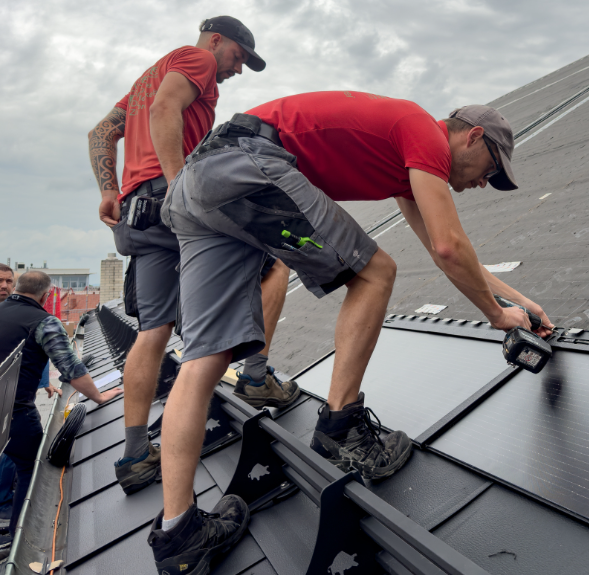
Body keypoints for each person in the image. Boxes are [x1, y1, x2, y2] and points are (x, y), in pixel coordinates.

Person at [151, 91, 554, 571]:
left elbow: (447, 253)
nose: (486, 183)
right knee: (375, 273)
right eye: (492, 168)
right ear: (473, 136)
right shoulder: (424, 133)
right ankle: (341, 429)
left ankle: (179, 536)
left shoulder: (408, 166)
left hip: (198, 182)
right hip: (248, 163)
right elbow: (450, 246)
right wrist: (494, 316)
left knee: (205, 357)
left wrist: (520, 306)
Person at [86, 16, 299, 496]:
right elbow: (166, 110)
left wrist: (109, 190)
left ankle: (136, 455)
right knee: (274, 265)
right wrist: (185, 189)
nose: (237, 71)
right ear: (217, 41)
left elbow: (100, 132)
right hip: (170, 197)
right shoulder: (196, 58)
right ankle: (256, 377)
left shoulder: (146, 78)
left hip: (137, 213)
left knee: (153, 331)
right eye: (238, 58)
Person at [0, 272, 123, 537]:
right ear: (45, 296)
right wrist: (99, 397)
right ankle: (17, 536)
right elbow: (72, 369)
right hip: (13, 413)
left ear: (17, 288)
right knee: (32, 470)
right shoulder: (44, 322)